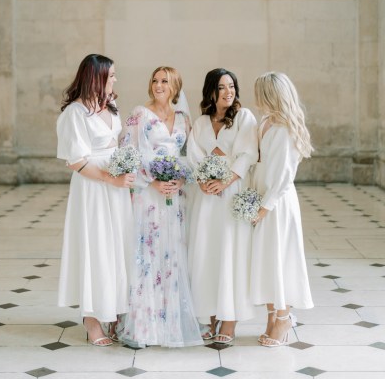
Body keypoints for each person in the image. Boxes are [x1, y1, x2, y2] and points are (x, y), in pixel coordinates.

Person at [120, 66, 202, 348]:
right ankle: (143, 328)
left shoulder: (183, 119)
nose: (158, 85)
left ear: (175, 86)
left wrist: (180, 179)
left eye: (164, 81)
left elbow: (190, 154)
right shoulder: (140, 114)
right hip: (149, 196)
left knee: (173, 254)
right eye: (155, 80)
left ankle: (171, 324)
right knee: (148, 254)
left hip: (175, 197)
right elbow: (127, 152)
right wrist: (152, 182)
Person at [56, 54, 134, 346]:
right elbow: (76, 161)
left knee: (117, 247)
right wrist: (110, 178)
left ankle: (113, 311)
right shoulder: (74, 114)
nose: (115, 80)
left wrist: (124, 171)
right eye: (111, 75)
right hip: (93, 188)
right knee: (96, 247)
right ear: (96, 77)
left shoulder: (110, 106)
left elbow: (116, 144)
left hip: (116, 188)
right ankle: (91, 320)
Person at [187, 68, 258, 344]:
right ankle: (209, 314)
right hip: (205, 199)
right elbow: (194, 154)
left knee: (231, 253)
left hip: (231, 195)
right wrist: (203, 179)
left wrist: (225, 181)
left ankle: (229, 320)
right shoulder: (202, 122)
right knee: (207, 253)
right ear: (211, 92)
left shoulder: (243, 118)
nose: (229, 92)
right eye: (222, 87)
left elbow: (248, 153)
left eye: (232, 87)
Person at [250, 71, 314, 348]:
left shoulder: (286, 128)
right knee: (265, 260)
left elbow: (283, 175)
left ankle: (284, 317)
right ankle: (270, 316)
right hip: (260, 197)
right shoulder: (265, 122)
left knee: (280, 258)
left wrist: (264, 207)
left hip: (277, 204)